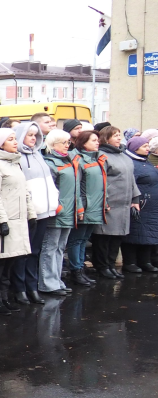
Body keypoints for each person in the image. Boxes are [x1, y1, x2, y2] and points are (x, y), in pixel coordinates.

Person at [0, 128, 36, 315]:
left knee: (11, 261)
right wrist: (2, 221)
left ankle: (4, 297)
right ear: (0, 144)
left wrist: (31, 214)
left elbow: (25, 191)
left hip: (18, 220)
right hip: (4, 221)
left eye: (15, 139)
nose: (16, 142)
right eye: (11, 139)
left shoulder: (15, 163)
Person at [11, 121, 58, 305]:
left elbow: (48, 182)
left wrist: (53, 201)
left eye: (35, 135)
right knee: (23, 253)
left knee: (35, 251)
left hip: (44, 211)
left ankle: (32, 287)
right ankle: (20, 288)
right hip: (29, 213)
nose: (33, 138)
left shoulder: (38, 155)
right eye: (29, 135)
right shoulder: (17, 157)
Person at [91, 125, 140, 278]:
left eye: (119, 135)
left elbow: (131, 179)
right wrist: (103, 201)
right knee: (104, 237)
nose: (119, 138)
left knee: (117, 237)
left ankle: (111, 265)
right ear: (106, 138)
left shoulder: (124, 156)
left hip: (123, 205)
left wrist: (135, 198)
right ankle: (102, 266)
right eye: (115, 135)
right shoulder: (101, 155)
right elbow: (99, 181)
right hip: (109, 204)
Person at [39, 130, 80, 295]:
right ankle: (47, 283)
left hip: (68, 211)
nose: (67, 145)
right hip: (57, 212)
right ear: (53, 144)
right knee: (50, 247)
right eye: (64, 142)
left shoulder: (67, 160)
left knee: (59, 248)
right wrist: (58, 207)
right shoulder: (50, 162)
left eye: (68, 142)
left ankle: (56, 280)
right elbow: (50, 189)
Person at [66, 130, 107, 286]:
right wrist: (80, 207)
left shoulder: (97, 158)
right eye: (94, 140)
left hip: (96, 206)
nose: (98, 142)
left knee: (84, 239)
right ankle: (75, 270)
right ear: (84, 143)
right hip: (85, 207)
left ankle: (81, 268)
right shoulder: (78, 160)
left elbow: (103, 183)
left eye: (98, 140)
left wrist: (106, 202)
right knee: (76, 240)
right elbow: (76, 186)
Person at [120, 136, 158, 272]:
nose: (148, 148)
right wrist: (134, 200)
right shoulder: (131, 163)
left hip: (151, 206)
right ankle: (130, 262)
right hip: (139, 203)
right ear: (135, 148)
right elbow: (130, 183)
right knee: (134, 233)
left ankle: (145, 261)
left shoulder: (145, 162)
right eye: (144, 146)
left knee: (149, 234)